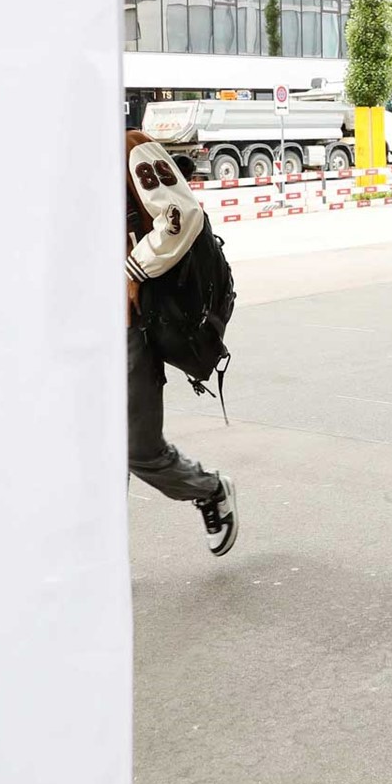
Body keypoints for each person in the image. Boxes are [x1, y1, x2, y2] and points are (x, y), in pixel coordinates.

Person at [124, 130, 239, 556]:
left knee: (139, 449)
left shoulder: (128, 147)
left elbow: (182, 214)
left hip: (128, 326)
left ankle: (208, 489)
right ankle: (99, 560)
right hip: (70, 330)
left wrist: (133, 270)